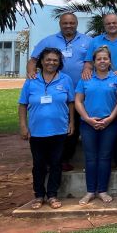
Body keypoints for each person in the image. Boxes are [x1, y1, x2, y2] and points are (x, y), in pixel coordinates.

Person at [27, 12, 91, 171]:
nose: (68, 26)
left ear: (76, 24)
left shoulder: (88, 41)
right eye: (65, 23)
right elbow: (33, 60)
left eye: (71, 23)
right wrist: (31, 75)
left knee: (73, 126)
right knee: (56, 124)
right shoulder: (48, 41)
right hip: (55, 92)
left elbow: (91, 61)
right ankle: (51, 159)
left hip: (80, 91)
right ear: (60, 24)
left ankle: (64, 158)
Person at [19, 48, 75, 209]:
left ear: (60, 63)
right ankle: (38, 195)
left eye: (55, 60)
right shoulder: (31, 80)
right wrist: (23, 126)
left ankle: (52, 195)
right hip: (37, 131)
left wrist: (71, 122)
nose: (51, 63)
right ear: (41, 61)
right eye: (48, 59)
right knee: (39, 164)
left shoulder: (65, 80)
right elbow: (22, 104)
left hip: (59, 130)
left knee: (56, 163)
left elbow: (70, 102)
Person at [83, 14, 117, 169]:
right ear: (104, 25)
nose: (112, 25)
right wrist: (86, 71)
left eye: (114, 22)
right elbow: (88, 62)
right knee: (105, 120)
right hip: (103, 86)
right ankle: (98, 160)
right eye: (108, 23)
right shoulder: (96, 41)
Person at [74, 46, 117, 205]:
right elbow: (78, 101)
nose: (102, 61)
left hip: (109, 123)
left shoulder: (116, 78)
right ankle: (90, 191)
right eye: (99, 59)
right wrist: (87, 119)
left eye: (105, 59)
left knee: (105, 157)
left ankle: (102, 190)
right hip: (88, 124)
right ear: (93, 62)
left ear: (109, 61)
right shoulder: (85, 79)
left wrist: (110, 118)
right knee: (91, 158)